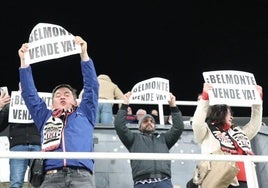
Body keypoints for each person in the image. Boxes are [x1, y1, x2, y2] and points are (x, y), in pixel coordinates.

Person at [18, 36, 98, 188]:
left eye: (67, 94)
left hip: (82, 177)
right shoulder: (44, 116)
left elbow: (92, 86)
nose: (62, 96)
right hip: (51, 178)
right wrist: (24, 61)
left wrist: (84, 55)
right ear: (52, 102)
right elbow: (29, 94)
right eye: (58, 95)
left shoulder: (86, 113)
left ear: (75, 101)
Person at [188, 83, 263, 188]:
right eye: (229, 113)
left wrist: (258, 102)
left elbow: (255, 125)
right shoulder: (207, 131)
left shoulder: (238, 132)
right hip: (221, 179)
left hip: (245, 180)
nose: (232, 116)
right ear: (220, 113)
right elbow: (197, 123)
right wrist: (205, 97)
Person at [114, 91, 184, 188]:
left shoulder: (164, 139)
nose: (149, 123)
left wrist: (173, 106)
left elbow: (178, 127)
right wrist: (125, 104)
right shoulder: (133, 139)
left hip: (164, 182)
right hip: (142, 183)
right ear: (139, 126)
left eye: (152, 121)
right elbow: (119, 126)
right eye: (145, 121)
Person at [0, 83, 40, 188]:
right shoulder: (12, 104)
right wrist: (0, 107)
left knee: (39, 182)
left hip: (37, 145)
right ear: (18, 89)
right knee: (16, 183)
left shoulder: (41, 103)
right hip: (18, 146)